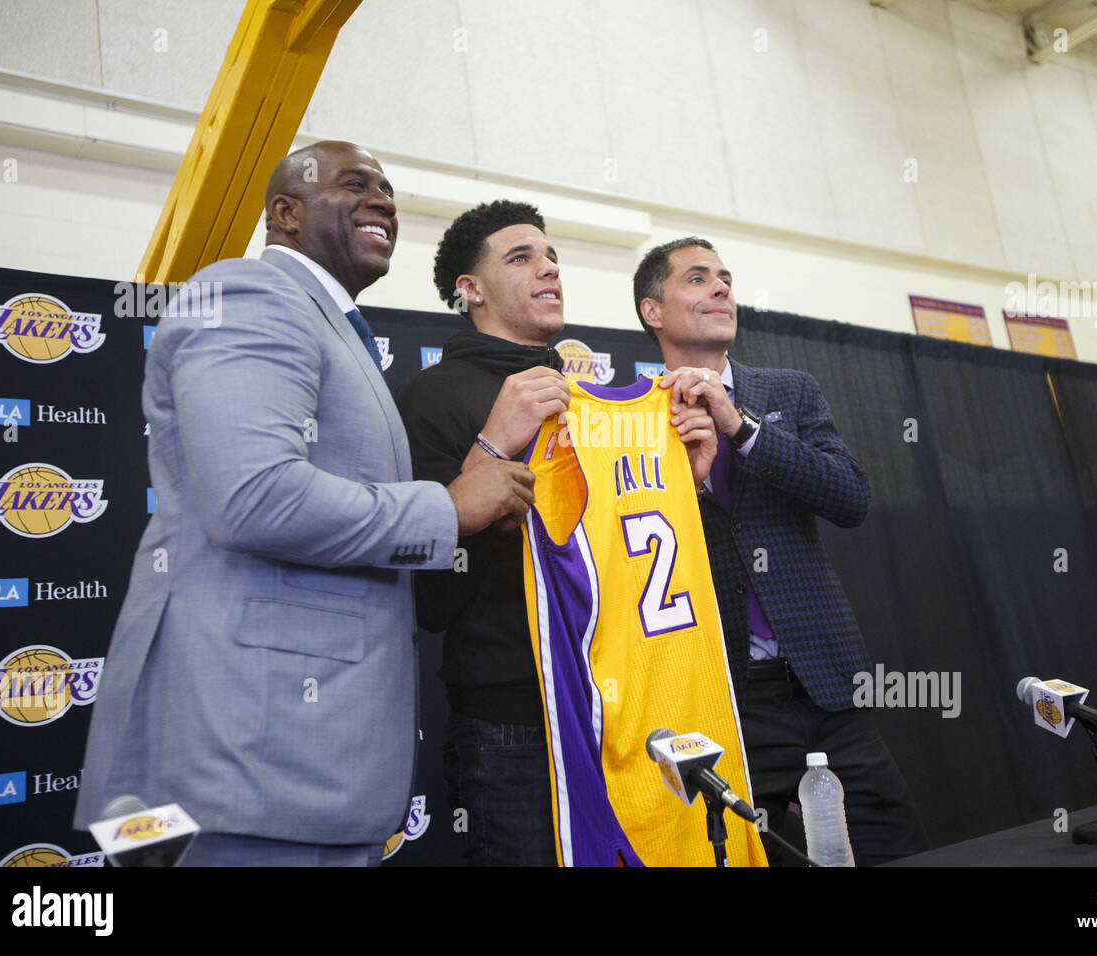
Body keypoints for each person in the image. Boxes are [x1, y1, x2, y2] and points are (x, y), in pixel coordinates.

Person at [73, 142, 533, 866]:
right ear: (285, 214)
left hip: (310, 768)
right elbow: (254, 497)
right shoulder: (249, 295)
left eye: (388, 190)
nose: (384, 200)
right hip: (251, 758)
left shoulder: (330, 328)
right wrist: (448, 508)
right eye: (356, 185)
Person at [396, 202, 717, 865]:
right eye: (520, 258)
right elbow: (429, 598)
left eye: (551, 257)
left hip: (629, 707)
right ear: (470, 288)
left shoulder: (593, 396)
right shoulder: (428, 399)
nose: (547, 269)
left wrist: (692, 479)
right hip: (516, 721)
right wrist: (490, 453)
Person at [635, 236, 927, 866]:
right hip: (725, 695)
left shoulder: (788, 393)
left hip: (825, 681)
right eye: (696, 279)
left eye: (726, 278)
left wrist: (740, 430)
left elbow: (851, 498)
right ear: (651, 311)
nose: (721, 289)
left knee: (893, 841)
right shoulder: (633, 417)